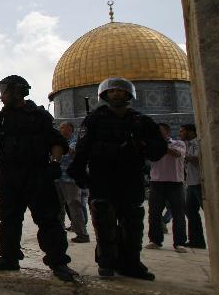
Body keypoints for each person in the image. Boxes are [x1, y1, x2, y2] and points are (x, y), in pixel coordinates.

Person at [0, 75, 78, 282]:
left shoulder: (38, 115)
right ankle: (9, 257)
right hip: (9, 176)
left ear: (18, 92)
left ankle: (59, 262)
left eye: (5, 91)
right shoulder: (2, 117)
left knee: (48, 220)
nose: (2, 96)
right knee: (9, 219)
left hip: (37, 175)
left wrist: (54, 164)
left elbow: (57, 141)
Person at [68, 77, 167, 280]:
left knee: (132, 224)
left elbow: (158, 149)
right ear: (105, 95)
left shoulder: (140, 121)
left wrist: (140, 146)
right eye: (111, 91)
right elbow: (83, 149)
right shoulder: (94, 119)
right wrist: (80, 174)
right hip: (102, 178)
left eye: (119, 91)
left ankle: (131, 263)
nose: (115, 94)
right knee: (104, 223)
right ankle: (106, 263)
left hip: (130, 179)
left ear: (128, 94)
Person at [146, 123, 188, 252]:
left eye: (160, 131)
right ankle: (155, 240)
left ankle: (180, 242)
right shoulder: (152, 146)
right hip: (157, 182)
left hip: (175, 183)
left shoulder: (178, 144)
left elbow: (176, 154)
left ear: (168, 132)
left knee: (178, 213)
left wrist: (162, 146)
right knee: (154, 213)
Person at [56, 121, 90, 243]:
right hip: (58, 178)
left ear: (70, 129)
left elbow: (73, 155)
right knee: (58, 208)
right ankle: (59, 232)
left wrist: (63, 148)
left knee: (74, 206)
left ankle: (82, 233)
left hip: (70, 179)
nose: (60, 130)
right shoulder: (58, 142)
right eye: (60, 128)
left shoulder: (76, 142)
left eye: (63, 128)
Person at [180, 124, 206, 248]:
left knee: (207, 210)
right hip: (191, 183)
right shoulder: (188, 145)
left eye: (182, 131)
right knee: (190, 211)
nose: (180, 134)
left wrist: (184, 156)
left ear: (190, 132)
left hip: (199, 182)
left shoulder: (197, 143)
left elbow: (197, 159)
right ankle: (196, 240)